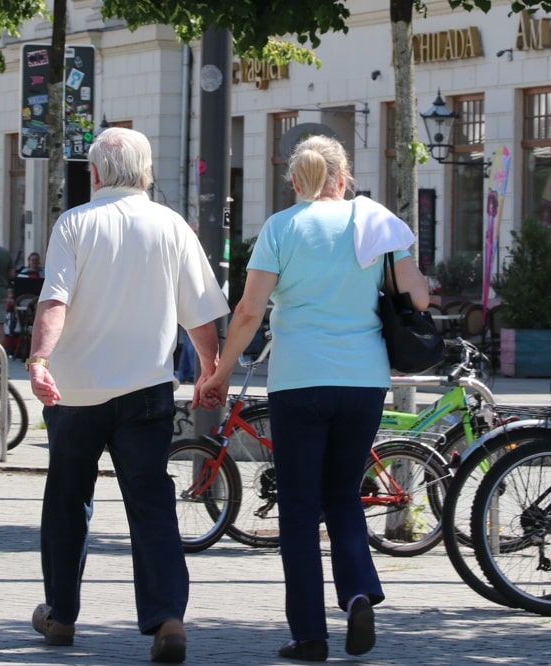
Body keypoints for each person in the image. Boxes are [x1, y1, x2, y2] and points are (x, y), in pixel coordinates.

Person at [198, 135, 429, 663]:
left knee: (300, 509)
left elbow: (250, 313)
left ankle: (309, 636)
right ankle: (357, 593)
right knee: (344, 493)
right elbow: (418, 296)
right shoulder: (375, 224)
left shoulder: (282, 227)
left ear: (296, 180)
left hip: (299, 380)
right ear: (343, 177)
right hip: (364, 380)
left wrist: (221, 370)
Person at [26, 127, 229, 663]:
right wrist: (210, 370)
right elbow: (201, 314)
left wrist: (40, 360)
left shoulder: (74, 223)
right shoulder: (171, 226)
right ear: (147, 172)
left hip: (75, 391)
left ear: (93, 173)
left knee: (68, 498)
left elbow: (54, 302)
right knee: (151, 501)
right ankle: (168, 619)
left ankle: (62, 614)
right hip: (146, 389)